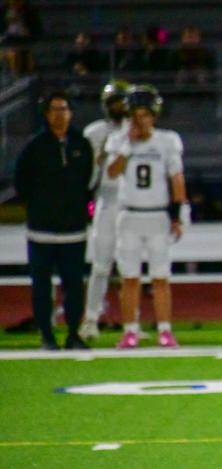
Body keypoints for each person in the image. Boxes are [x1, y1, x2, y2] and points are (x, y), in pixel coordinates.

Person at [105, 84, 188, 349]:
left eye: (145, 115)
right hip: (129, 215)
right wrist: (127, 146)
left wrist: (178, 216)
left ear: (154, 116)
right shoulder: (119, 140)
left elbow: (177, 179)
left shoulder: (167, 141)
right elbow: (112, 173)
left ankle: (165, 330)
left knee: (160, 277)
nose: (140, 121)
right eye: (135, 115)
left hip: (158, 216)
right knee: (129, 278)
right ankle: (130, 330)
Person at [13, 91, 94, 350]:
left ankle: (73, 334)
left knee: (74, 285)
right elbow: (20, 181)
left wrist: (78, 208)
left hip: (74, 229)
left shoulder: (81, 145)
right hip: (42, 229)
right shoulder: (35, 147)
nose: (60, 115)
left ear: (71, 113)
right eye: (55, 110)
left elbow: (87, 180)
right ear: (46, 114)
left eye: (64, 109)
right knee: (41, 284)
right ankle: (46, 335)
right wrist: (39, 205)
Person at [79, 81, 130, 341]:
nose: (119, 107)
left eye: (123, 101)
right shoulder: (95, 132)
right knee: (101, 265)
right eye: (114, 102)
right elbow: (87, 179)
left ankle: (132, 323)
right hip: (107, 199)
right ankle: (90, 319)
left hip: (132, 202)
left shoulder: (138, 129)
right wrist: (98, 160)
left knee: (130, 267)